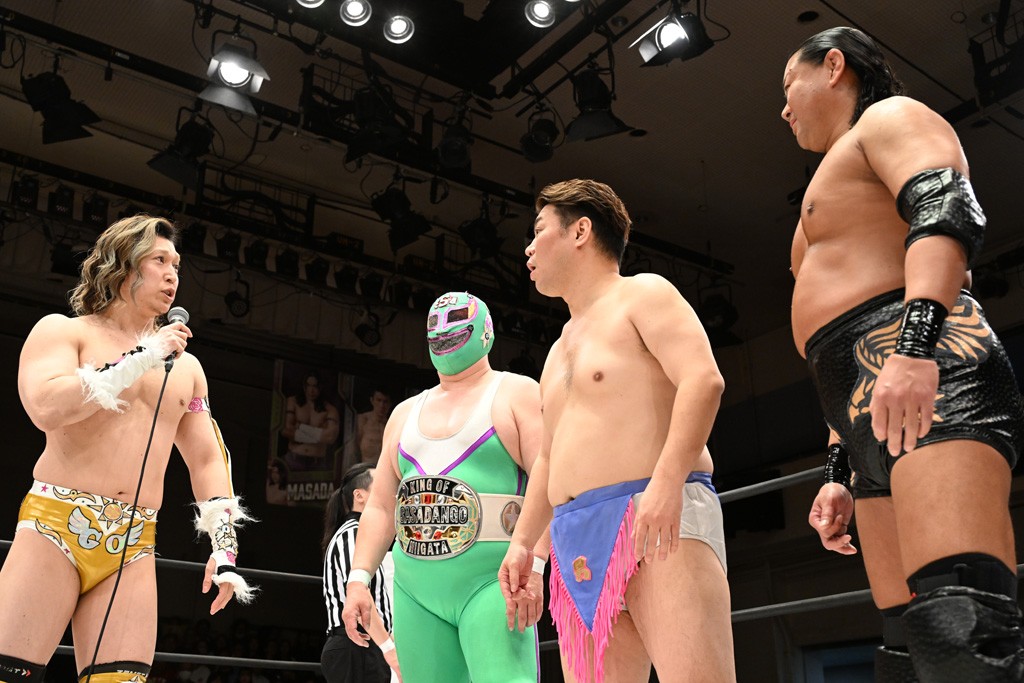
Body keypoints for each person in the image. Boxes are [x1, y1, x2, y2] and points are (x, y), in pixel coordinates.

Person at [784, 27, 1024, 681]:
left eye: (790, 84)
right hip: (865, 406)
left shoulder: (888, 118)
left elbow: (946, 205)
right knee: (905, 649)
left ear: (834, 66)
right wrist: (838, 466)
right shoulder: (827, 186)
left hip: (927, 365)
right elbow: (831, 349)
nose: (784, 107)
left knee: (960, 629)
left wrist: (915, 347)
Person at [0, 215, 254, 683]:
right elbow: (45, 407)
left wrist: (224, 548)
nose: (172, 275)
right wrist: (143, 358)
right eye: (159, 261)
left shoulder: (187, 368)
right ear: (123, 266)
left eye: (176, 265)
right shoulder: (65, 332)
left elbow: (206, 459)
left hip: (134, 541)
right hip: (56, 524)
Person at [501, 179, 735, 683]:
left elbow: (703, 380)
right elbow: (549, 458)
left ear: (580, 231)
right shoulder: (556, 351)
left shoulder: (643, 294)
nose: (529, 248)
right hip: (573, 534)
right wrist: (523, 545)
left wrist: (666, 483)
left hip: (654, 509)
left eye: (538, 230)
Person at [342, 292, 547, 683]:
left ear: (485, 331)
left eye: (454, 320)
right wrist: (358, 579)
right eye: (434, 322)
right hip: (415, 591)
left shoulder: (517, 393)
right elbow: (381, 507)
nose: (443, 330)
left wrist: (536, 563)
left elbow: (549, 479)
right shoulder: (403, 413)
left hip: (494, 581)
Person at [321, 463, 399, 683]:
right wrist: (389, 649)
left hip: (366, 646)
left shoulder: (361, 536)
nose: (388, 491)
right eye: (380, 485)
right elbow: (360, 596)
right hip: (355, 645)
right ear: (359, 495)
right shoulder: (353, 534)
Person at [282, 372, 340, 472]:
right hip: (294, 458)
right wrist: (318, 436)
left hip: (318, 462)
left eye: (315, 386)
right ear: (304, 386)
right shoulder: (292, 402)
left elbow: (330, 438)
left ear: (320, 387)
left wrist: (301, 427)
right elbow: (286, 430)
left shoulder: (330, 409)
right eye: (309, 385)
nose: (311, 390)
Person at [355, 389, 392, 465]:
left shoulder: (392, 424)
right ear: (372, 401)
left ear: (390, 404)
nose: (382, 405)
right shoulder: (363, 420)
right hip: (365, 468)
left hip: (384, 470)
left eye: (385, 402)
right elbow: (353, 450)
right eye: (378, 400)